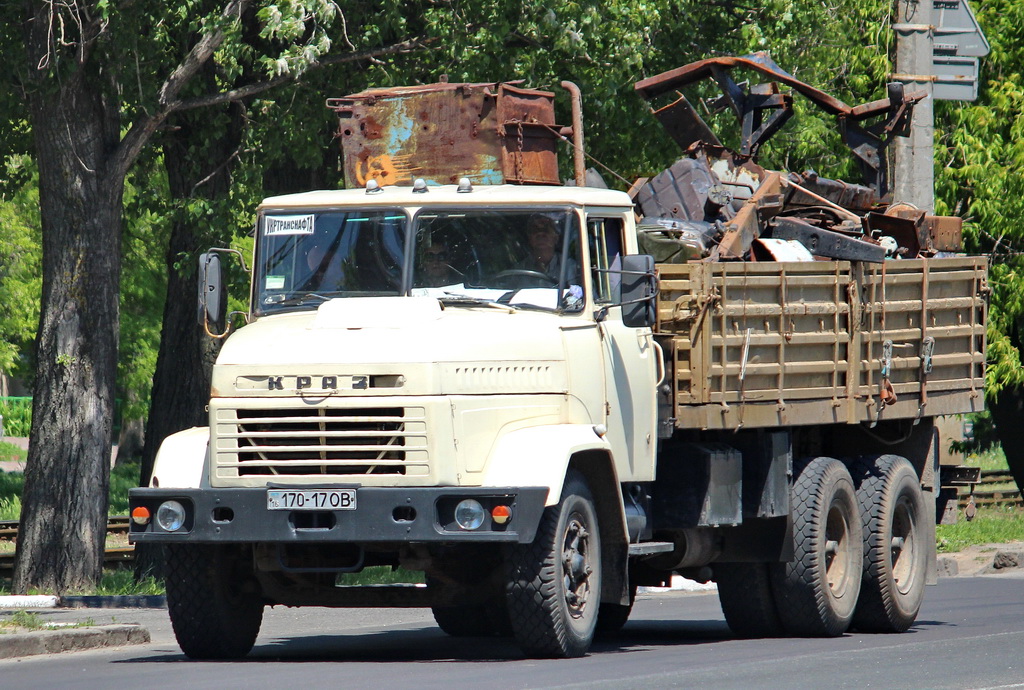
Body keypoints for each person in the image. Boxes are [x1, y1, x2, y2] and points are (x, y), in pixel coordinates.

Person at [517, 214, 579, 284]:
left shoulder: (571, 268)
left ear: (556, 238)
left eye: (546, 230)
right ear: (530, 238)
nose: (540, 234)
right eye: (535, 230)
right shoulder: (518, 271)